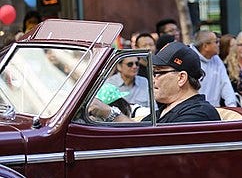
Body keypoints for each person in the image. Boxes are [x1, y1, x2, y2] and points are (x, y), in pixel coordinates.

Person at [89, 42, 220, 123]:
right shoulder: (164, 111)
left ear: (181, 78)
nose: (152, 79)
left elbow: (153, 143)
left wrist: (110, 114)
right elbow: (139, 130)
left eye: (157, 73)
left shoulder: (199, 114)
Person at [191, 30, 238, 107]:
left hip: (214, 108)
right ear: (205, 46)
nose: (219, 45)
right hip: (194, 110)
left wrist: (232, 106)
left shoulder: (216, 59)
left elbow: (225, 84)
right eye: (216, 42)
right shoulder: (190, 58)